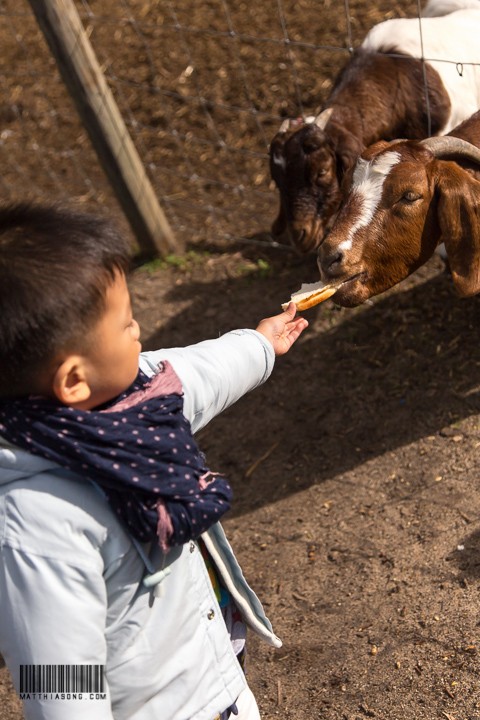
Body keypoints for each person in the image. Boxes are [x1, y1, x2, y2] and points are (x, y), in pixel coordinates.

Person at [0, 202, 308, 720]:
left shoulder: (138, 399)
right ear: (73, 380)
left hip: (216, 675)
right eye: (125, 323)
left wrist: (259, 346)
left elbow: (200, 372)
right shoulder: (32, 525)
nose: (139, 327)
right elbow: (60, 690)